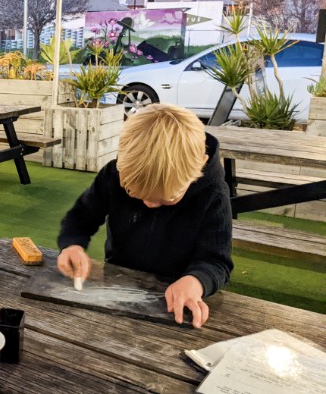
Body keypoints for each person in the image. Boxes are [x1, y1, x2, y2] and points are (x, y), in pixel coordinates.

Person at [57, 104, 233, 329]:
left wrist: (196, 281)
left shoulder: (212, 195)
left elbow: (217, 261)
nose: (149, 204)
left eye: (167, 199)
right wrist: (72, 245)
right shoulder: (113, 175)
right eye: (135, 194)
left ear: (199, 165)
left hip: (177, 301)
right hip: (118, 283)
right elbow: (80, 218)